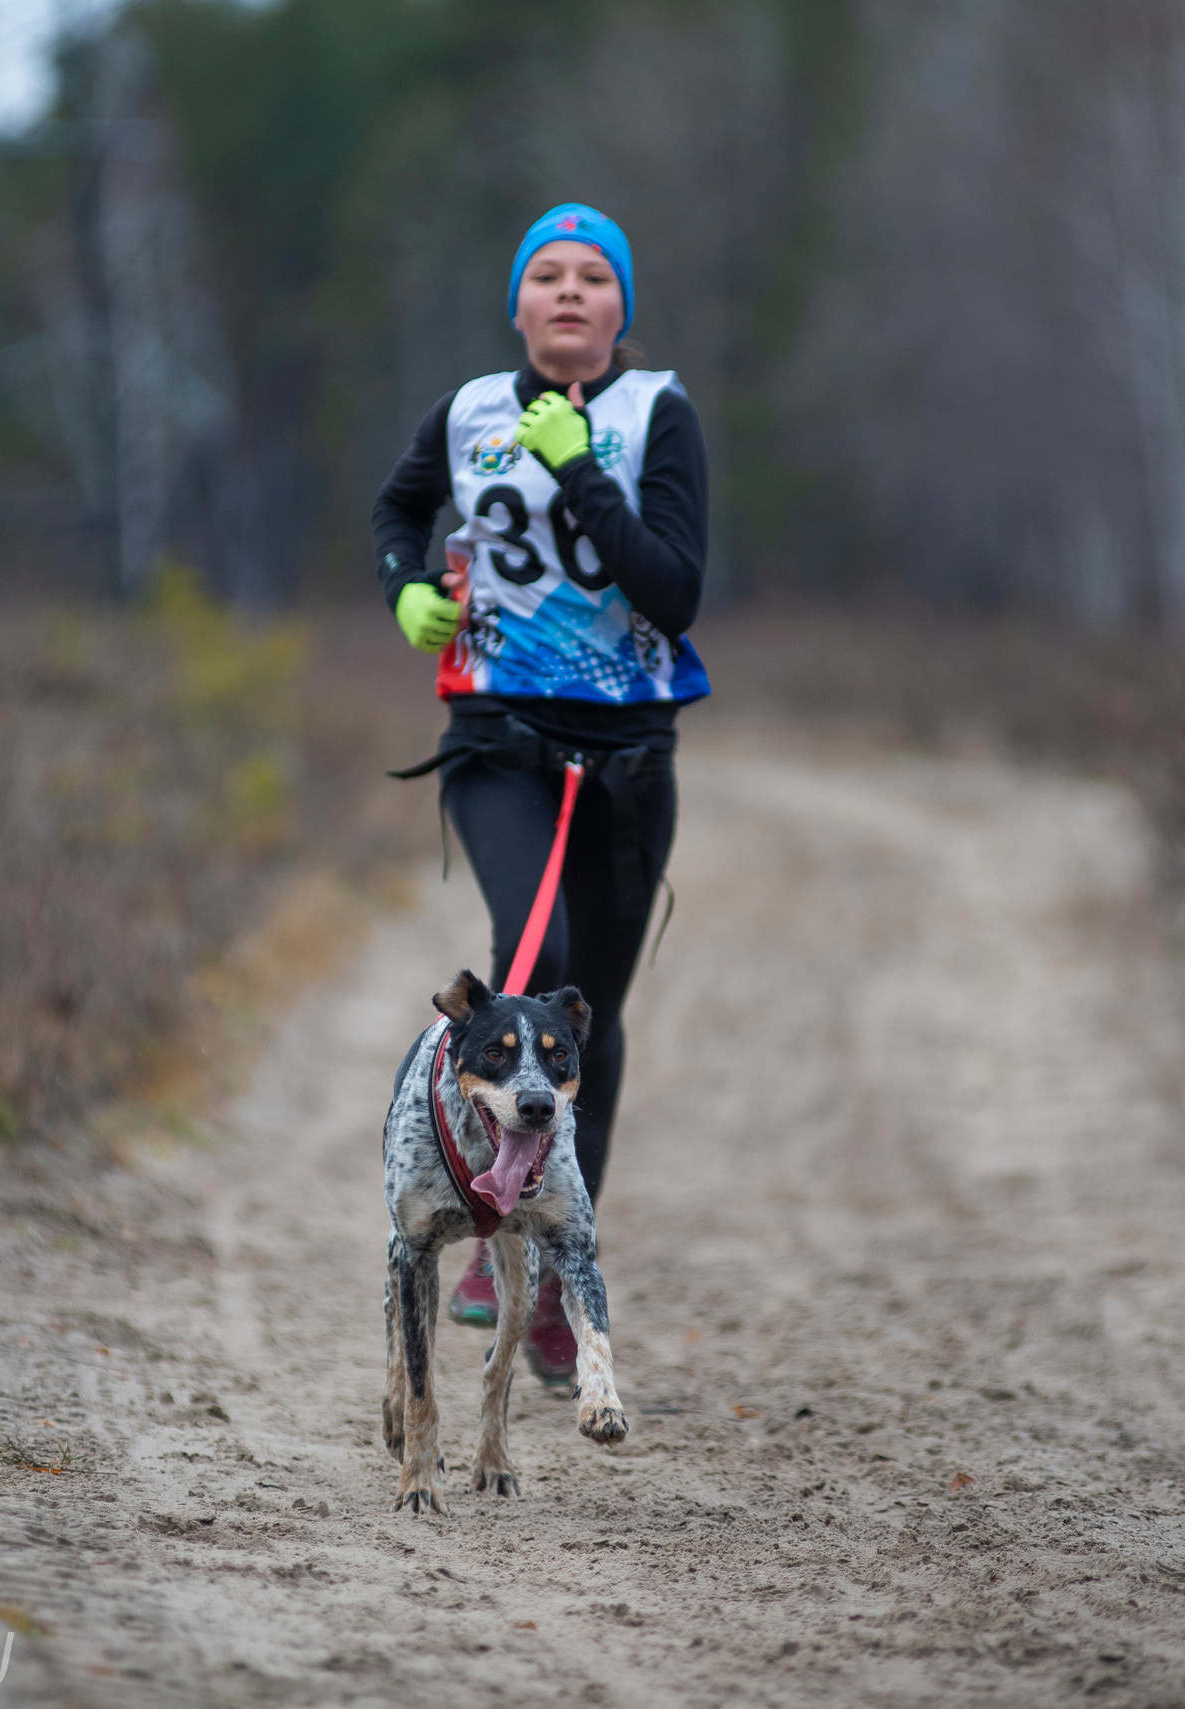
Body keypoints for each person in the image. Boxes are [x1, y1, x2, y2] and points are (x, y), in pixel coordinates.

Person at [371, 202, 709, 1385]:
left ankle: (560, 1275)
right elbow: (397, 510)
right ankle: (480, 1228)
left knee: (587, 1027)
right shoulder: (467, 411)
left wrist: (581, 473)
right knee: (534, 943)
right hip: (497, 745)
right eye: (546, 276)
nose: (569, 292)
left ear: (622, 307)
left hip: (626, 759)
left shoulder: (652, 414)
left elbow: (673, 590)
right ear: (516, 304)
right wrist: (408, 589)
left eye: (594, 277)